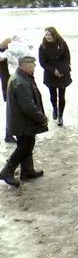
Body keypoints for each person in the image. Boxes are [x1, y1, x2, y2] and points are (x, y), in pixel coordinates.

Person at [0, 56, 47, 187]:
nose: (34, 67)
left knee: (27, 144)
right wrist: (41, 118)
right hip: (23, 122)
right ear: (24, 65)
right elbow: (28, 106)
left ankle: (27, 171)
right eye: (32, 65)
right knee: (25, 147)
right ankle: (7, 171)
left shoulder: (22, 77)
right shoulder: (20, 81)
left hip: (21, 121)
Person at [38, 27, 71, 127]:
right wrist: (53, 71)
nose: (48, 37)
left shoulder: (62, 43)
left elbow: (67, 58)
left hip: (62, 73)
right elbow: (42, 62)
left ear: (54, 34)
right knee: (53, 95)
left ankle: (61, 115)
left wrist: (60, 70)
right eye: (46, 35)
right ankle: (55, 109)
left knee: (61, 96)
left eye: (49, 35)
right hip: (50, 73)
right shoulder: (42, 46)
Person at [0, 37, 12, 142]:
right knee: (11, 111)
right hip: (8, 86)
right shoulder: (3, 54)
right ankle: (8, 135)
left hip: (10, 85)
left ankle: (9, 134)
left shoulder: (12, 51)